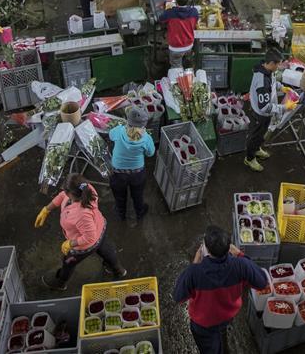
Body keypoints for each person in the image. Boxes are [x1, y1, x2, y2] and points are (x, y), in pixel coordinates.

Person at [173, 225, 269, 354]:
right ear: (229, 247)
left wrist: (195, 263)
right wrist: (239, 254)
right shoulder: (240, 265)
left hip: (203, 325)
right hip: (227, 317)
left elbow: (178, 296)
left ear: (205, 249)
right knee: (221, 333)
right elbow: (262, 282)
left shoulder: (194, 272)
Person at [35, 174, 127, 290]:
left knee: (68, 262)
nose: (63, 191)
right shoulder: (85, 188)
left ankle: (60, 282)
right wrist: (47, 209)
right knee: (104, 248)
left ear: (71, 194)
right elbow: (62, 195)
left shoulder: (81, 214)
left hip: (86, 244)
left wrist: (71, 243)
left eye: (65, 190)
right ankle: (118, 270)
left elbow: (90, 237)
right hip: (100, 227)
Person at [108, 106, 155, 223]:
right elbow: (150, 153)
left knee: (119, 197)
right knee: (137, 195)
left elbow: (110, 135)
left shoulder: (119, 131)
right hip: (137, 174)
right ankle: (140, 213)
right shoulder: (146, 138)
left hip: (117, 173)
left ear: (128, 121)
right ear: (143, 125)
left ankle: (121, 215)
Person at [244, 49, 283, 172]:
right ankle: (249, 158)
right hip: (260, 114)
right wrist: (284, 107)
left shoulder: (266, 70)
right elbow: (264, 106)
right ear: (271, 63)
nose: (279, 66)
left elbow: (272, 82)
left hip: (265, 115)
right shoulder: (262, 81)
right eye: (278, 64)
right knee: (254, 136)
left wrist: (281, 87)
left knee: (261, 133)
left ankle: (256, 149)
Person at [159, 0, 199, 69]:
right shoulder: (194, 12)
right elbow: (195, 22)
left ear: (176, 1)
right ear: (188, 0)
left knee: (176, 70)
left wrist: (164, 9)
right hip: (189, 46)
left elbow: (161, 19)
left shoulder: (170, 13)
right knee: (188, 68)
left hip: (175, 48)